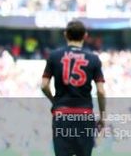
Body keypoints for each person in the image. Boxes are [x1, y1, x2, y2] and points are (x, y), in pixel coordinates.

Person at [41, 20, 106, 156]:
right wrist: (103, 115)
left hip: (62, 115)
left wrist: (55, 102)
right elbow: (100, 91)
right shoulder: (93, 59)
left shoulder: (54, 56)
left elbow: (44, 86)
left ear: (65, 35)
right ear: (85, 36)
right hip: (84, 114)